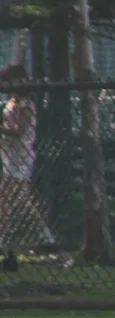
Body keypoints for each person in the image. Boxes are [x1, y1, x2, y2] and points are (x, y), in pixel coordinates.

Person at [0, 63, 56, 257]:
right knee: (22, 201)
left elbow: (19, 131)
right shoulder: (11, 102)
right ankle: (47, 237)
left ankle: (4, 238)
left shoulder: (26, 105)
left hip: (21, 158)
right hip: (9, 156)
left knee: (5, 199)